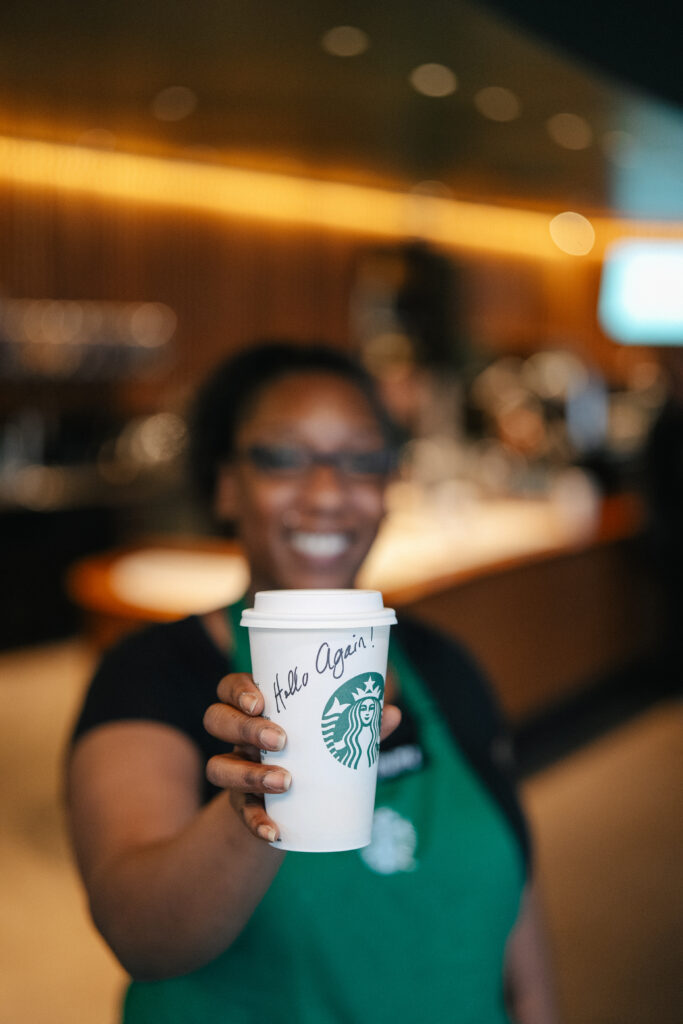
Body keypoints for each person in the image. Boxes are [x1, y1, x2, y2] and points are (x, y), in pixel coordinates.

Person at [67, 340, 559, 1023]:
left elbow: (516, 904)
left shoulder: (443, 663)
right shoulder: (152, 672)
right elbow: (140, 934)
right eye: (282, 458)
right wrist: (252, 805)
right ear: (224, 485)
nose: (327, 493)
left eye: (361, 460)